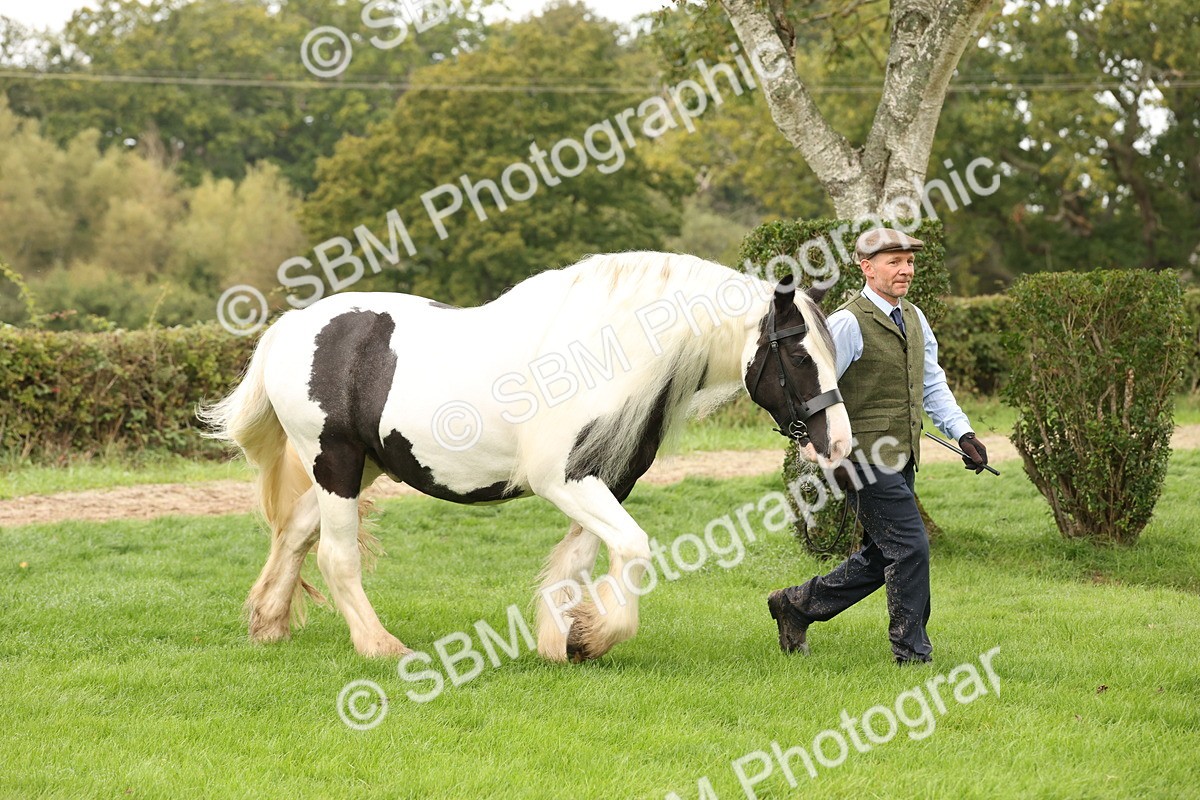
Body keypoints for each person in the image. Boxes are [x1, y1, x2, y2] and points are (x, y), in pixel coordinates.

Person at [767, 227, 988, 665]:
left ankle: (796, 605)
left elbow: (931, 383)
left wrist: (963, 433)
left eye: (909, 262)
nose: (906, 270)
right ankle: (911, 653)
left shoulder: (916, 318)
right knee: (910, 546)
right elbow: (813, 393)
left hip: (902, 455)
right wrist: (827, 455)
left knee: (880, 555)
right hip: (862, 458)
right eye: (894, 262)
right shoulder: (847, 323)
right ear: (867, 268)